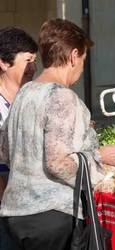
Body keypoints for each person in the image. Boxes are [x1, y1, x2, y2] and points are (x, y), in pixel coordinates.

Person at [0, 18, 115, 250]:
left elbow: (5, 151)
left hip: (15, 215)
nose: (81, 67)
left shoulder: (25, 92)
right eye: (83, 60)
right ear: (73, 56)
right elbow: (57, 163)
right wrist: (100, 157)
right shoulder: (62, 96)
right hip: (50, 217)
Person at [0, 26, 38, 201]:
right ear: (4, 63)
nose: (34, 67)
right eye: (28, 60)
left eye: (35, 61)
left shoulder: (35, 97)